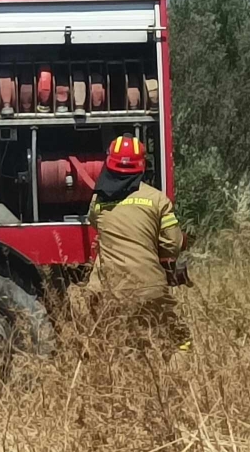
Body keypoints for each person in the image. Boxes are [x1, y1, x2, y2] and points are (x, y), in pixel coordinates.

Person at [84, 134, 191, 357]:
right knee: (180, 340)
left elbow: (98, 228)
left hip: (113, 293)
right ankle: (178, 381)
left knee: (120, 346)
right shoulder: (158, 200)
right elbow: (172, 245)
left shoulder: (98, 202)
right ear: (143, 166)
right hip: (151, 290)